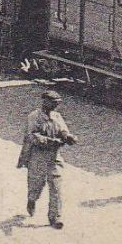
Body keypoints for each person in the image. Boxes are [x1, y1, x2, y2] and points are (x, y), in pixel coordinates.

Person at [17, 88, 76, 228]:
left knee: (56, 188)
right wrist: (49, 141)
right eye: (54, 103)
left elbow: (63, 130)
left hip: (54, 157)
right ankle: (32, 200)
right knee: (36, 185)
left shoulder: (56, 116)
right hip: (38, 156)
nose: (56, 106)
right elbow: (31, 135)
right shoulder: (34, 116)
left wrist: (68, 137)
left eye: (57, 103)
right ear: (45, 102)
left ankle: (55, 217)